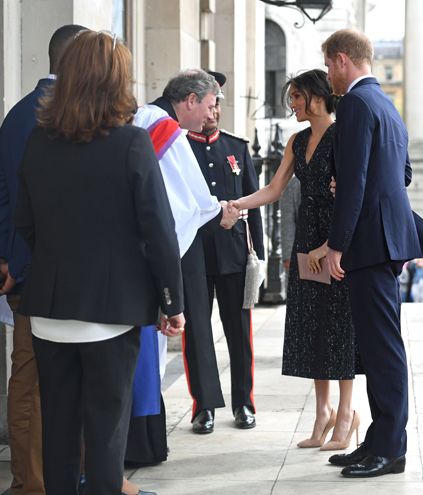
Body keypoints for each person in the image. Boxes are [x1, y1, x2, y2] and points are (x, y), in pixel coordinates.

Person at [13, 30, 185, 495]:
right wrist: (173, 302)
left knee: (59, 438)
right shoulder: (131, 143)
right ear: (116, 82)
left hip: (50, 310)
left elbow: (25, 224)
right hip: (111, 312)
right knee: (107, 442)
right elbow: (159, 232)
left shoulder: (38, 142)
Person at [321, 28, 423, 479]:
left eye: (329, 65)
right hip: (386, 239)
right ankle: (378, 439)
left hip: (369, 245)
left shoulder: (353, 103)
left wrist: (337, 244)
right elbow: (401, 173)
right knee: (376, 346)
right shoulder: (386, 103)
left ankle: (390, 448)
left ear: (341, 60)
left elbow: (353, 183)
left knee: (382, 349)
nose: (329, 75)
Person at [230, 69, 361, 451]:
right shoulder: (296, 139)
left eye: (297, 96)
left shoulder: (343, 136)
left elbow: (353, 194)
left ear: (317, 96)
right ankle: (323, 413)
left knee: (340, 326)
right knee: (314, 326)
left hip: (335, 240)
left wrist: (330, 244)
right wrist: (237, 204)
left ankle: (348, 413)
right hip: (306, 237)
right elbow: (273, 189)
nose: (292, 104)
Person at [0, 23, 87, 495]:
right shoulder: (60, 114)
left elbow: (1, 196)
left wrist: (5, 256)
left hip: (27, 268)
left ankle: (36, 481)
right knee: (39, 381)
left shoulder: (16, 114)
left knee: (31, 378)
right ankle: (32, 485)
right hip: (51, 272)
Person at [134, 69, 239, 435]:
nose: (212, 114)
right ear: (190, 100)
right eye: (210, 105)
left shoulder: (143, 115)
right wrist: (219, 210)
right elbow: (183, 205)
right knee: (147, 356)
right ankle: (143, 436)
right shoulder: (165, 130)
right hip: (149, 257)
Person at [187, 71, 265, 429]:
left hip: (233, 255)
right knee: (197, 333)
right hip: (193, 255)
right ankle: (203, 406)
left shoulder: (237, 147)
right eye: (208, 104)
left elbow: (255, 204)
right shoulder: (179, 149)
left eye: (217, 104)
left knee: (239, 333)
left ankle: (243, 403)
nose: (213, 111)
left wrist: (258, 257)